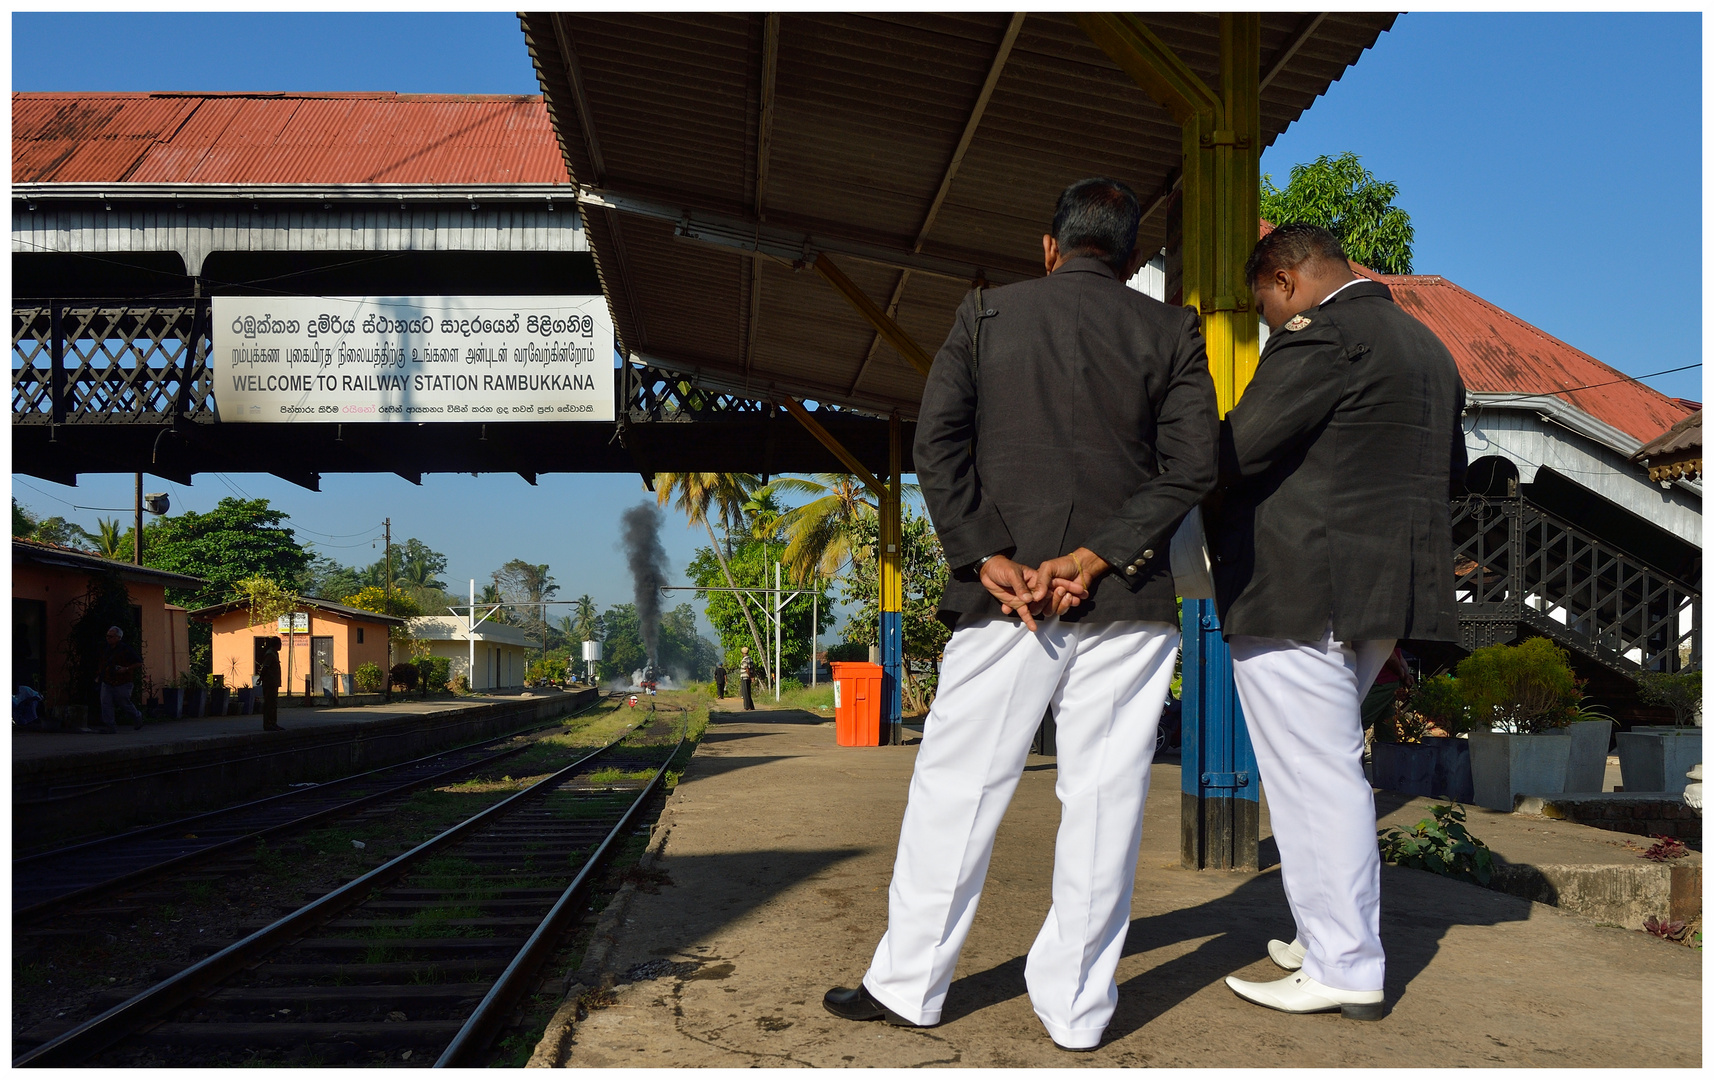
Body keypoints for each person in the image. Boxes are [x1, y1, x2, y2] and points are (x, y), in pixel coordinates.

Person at [823, 177, 1218, 1052]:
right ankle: (1076, 1009)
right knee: (1106, 802)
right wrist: (1093, 558)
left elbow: (938, 444)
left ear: (1050, 248)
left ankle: (909, 985)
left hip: (1006, 608)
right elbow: (1192, 466)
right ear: (1133, 260)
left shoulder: (984, 316)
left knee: (957, 789)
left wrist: (990, 557)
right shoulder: (1171, 330)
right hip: (1124, 600)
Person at [1209, 222, 1465, 1020]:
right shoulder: (1429, 349)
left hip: (1301, 583)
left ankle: (1346, 963)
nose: (1268, 323)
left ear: (1284, 280)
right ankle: (1322, 933)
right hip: (1385, 592)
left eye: (1262, 308)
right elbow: (1450, 472)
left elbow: (1238, 452)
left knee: (1314, 777)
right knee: (1313, 770)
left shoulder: (1320, 336)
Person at [96, 625, 144, 733]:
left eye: (111, 636)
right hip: (108, 680)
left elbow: (139, 662)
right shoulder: (105, 648)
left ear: (118, 637)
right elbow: (102, 663)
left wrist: (126, 668)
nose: (108, 638)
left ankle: (137, 717)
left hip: (123, 681)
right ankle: (110, 726)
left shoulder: (126, 649)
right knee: (105, 702)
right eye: (107, 636)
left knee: (124, 702)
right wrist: (100, 675)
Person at [257, 636, 283, 732]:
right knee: (269, 704)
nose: (281, 646)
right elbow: (265, 667)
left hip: (274, 682)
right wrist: (261, 678)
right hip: (269, 683)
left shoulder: (275, 653)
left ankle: (273, 723)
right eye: (280, 644)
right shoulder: (270, 654)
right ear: (276, 644)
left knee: (273, 704)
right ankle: (267, 724)